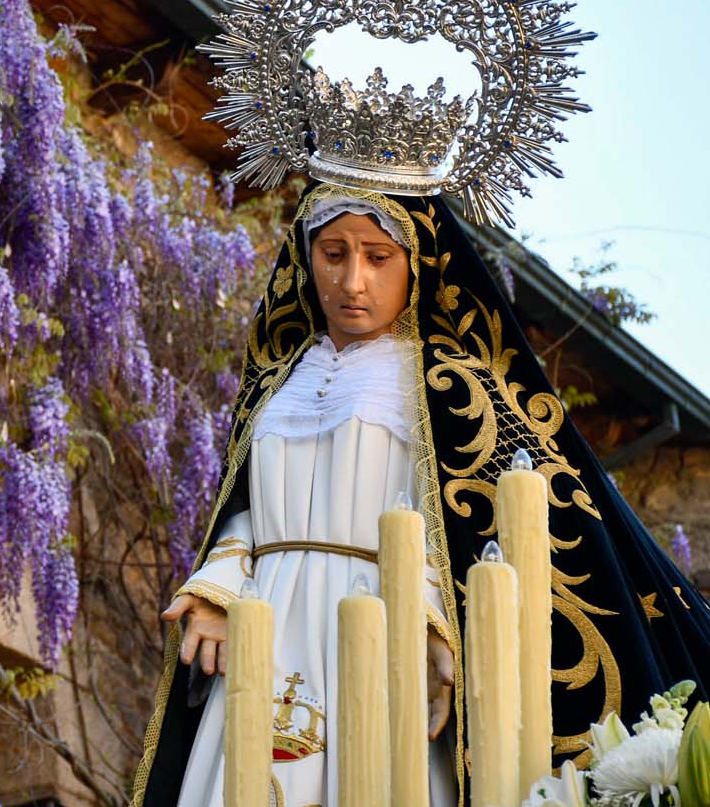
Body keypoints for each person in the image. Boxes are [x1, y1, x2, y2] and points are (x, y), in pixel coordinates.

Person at [130, 184, 710, 807]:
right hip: (264, 621)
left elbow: (473, 530)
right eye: (333, 253)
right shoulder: (276, 381)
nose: (354, 281)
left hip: (386, 622)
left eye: (378, 258)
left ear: (418, 262)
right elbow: (244, 504)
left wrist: (437, 627)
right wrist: (218, 588)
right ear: (305, 256)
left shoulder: (449, 384)